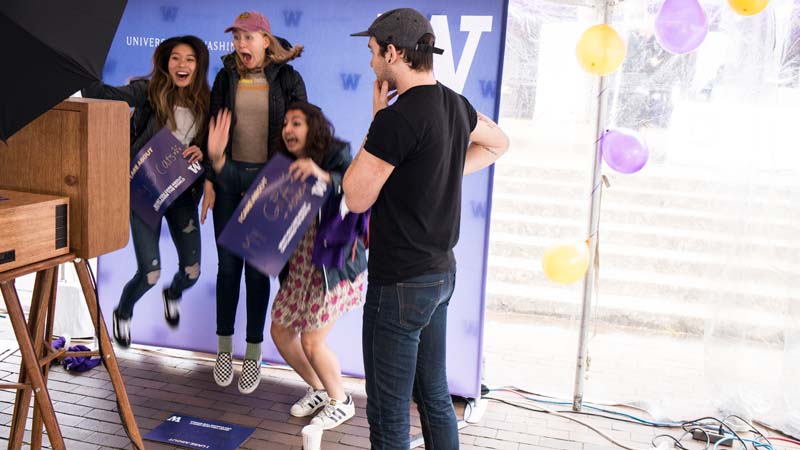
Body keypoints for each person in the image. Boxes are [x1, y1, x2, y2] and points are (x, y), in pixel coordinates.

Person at [345, 8, 510, 449]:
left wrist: (376, 119)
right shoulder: (455, 103)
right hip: (439, 276)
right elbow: (499, 143)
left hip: (399, 282)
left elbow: (356, 196)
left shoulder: (395, 121)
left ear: (394, 52)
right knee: (434, 395)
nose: (371, 63)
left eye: (374, 52)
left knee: (388, 412)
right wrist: (440, 170)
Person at [82, 35, 210, 348]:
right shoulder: (149, 91)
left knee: (192, 273)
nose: (182, 65)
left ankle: (174, 293)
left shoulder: (209, 101)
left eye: (190, 59)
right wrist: (81, 68)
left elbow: (217, 144)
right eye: (175, 58)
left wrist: (202, 152)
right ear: (166, 62)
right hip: (144, 193)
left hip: (182, 196)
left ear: (199, 65)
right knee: (150, 273)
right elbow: (102, 94)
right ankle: (123, 312)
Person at [203, 10, 307, 394]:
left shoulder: (289, 79)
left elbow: (303, 132)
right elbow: (212, 130)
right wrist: (211, 182)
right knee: (228, 268)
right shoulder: (225, 77)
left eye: (248, 37)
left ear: (266, 40)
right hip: (228, 183)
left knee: (257, 271)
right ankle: (224, 350)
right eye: (236, 38)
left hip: (270, 186)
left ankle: (253, 353)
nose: (240, 45)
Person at [268, 101, 367, 429]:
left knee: (312, 340)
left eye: (296, 123)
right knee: (281, 332)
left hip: (333, 266)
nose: (288, 129)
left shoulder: (338, 154)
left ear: (313, 127)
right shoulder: (282, 162)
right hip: (299, 267)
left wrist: (321, 174)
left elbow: (355, 193)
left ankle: (342, 400)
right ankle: (322, 389)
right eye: (285, 124)